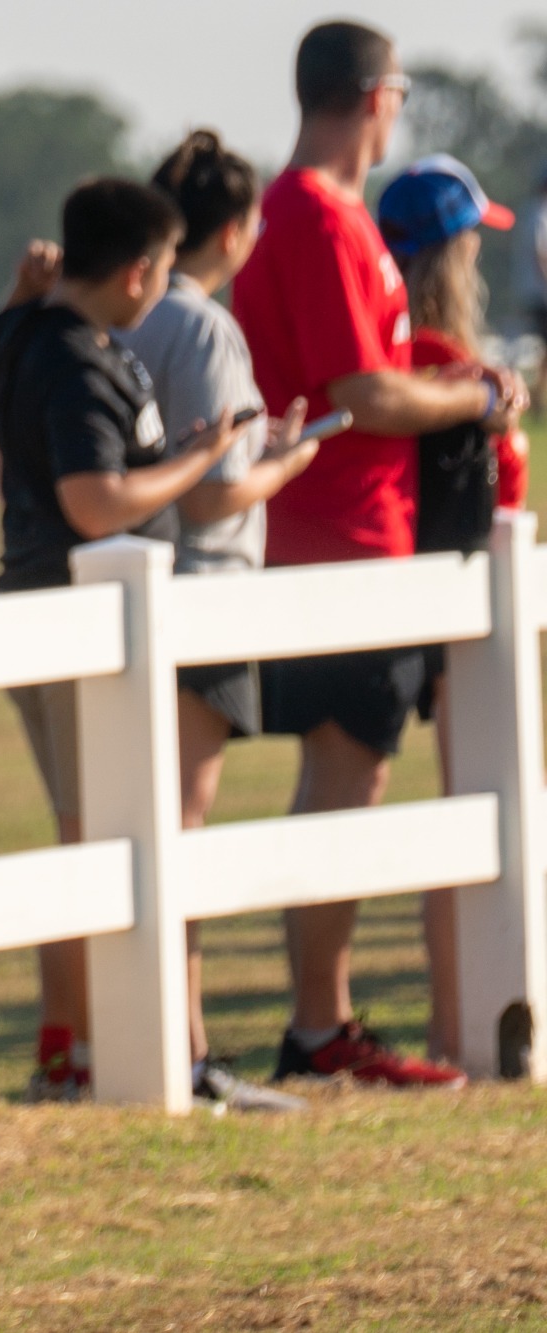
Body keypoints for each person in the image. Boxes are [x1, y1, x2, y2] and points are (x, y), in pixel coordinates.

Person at [230, 21, 528, 1089]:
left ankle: (326, 1021)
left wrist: (445, 387)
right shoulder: (314, 213)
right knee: (344, 777)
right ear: (375, 96)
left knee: (353, 772)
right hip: (339, 535)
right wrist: (474, 394)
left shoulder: (328, 211)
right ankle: (319, 1028)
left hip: (359, 531)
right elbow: (359, 394)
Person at [0, 178, 244, 1101]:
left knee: (93, 828)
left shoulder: (35, 332)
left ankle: (75, 1042)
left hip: (61, 612)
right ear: (136, 272)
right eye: (161, 271)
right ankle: (76, 1049)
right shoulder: (73, 355)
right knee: (94, 833)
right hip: (72, 619)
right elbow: (95, 502)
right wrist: (197, 461)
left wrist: (19, 298)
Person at [118, 131, 321, 1113]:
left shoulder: (132, 311)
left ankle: (162, 1043)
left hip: (141, 591)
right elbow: (211, 493)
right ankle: (185, 1051)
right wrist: (287, 463)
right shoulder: (202, 327)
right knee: (182, 833)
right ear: (235, 231)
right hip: (199, 593)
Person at [376, 153, 531, 1066]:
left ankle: (451, 1021)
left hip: (426, 592)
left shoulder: (401, 358)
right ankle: (458, 1024)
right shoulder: (444, 366)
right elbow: (504, 491)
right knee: (468, 816)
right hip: (459, 607)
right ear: (449, 252)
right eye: (471, 239)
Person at [514, 163, 547, 406]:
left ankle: (538, 396)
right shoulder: (539, 213)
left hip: (532, 290)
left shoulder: (532, 211)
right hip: (540, 292)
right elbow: (540, 255)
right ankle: (536, 397)